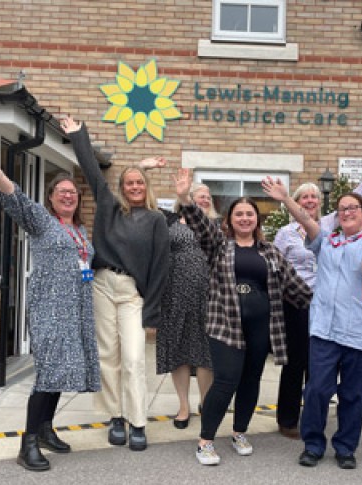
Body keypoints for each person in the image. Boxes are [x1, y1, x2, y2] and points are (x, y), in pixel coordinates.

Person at [0, 137, 100, 472]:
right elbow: (15, 197)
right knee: (48, 373)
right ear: (51, 198)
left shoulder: (80, 230)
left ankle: (46, 429)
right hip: (49, 311)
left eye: (73, 192)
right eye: (61, 191)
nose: (68, 195)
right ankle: (28, 443)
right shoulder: (42, 221)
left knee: (61, 374)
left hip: (77, 312)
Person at [174, 168, 312, 466]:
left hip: (261, 327)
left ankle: (239, 432)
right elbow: (199, 224)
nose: (245, 219)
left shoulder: (271, 252)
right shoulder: (218, 246)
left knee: (251, 381)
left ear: (257, 220)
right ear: (229, 220)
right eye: (239, 214)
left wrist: (330, 300)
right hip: (225, 326)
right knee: (225, 380)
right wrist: (185, 197)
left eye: (250, 214)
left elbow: (295, 287)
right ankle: (206, 440)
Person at [60, 116, 169, 452]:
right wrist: (79, 135)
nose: (134, 187)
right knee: (109, 355)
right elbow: (93, 171)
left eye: (140, 183)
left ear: (146, 187)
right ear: (122, 188)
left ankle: (139, 421)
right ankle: (116, 417)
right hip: (103, 285)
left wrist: (152, 312)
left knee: (135, 358)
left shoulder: (156, 220)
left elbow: (160, 267)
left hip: (133, 293)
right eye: (129, 184)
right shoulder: (109, 207)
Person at [263, 179, 362, 470]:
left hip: (360, 333)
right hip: (324, 332)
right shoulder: (326, 241)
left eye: (353, 208)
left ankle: (345, 447)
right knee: (317, 389)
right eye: (342, 209)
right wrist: (285, 199)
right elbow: (306, 219)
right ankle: (314, 444)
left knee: (353, 394)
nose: (346, 212)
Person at [156, 204, 213, 429]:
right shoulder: (169, 221)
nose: (203, 202)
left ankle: (206, 402)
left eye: (207, 198)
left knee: (205, 351)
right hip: (174, 294)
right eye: (198, 198)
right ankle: (183, 405)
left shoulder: (214, 226)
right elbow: (145, 203)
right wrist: (145, 168)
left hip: (207, 296)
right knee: (178, 348)